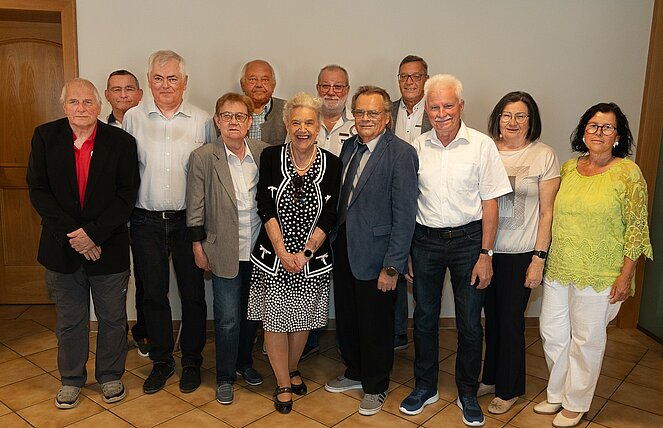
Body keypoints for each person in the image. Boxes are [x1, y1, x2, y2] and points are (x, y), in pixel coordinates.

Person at [399, 74, 511, 426]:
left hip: (469, 243)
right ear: (426, 110)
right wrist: (406, 251)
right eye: (434, 107)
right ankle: (425, 386)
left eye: (448, 105)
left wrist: (486, 255)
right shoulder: (416, 148)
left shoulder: (481, 146)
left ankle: (467, 391)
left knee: (469, 324)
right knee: (424, 320)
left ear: (461, 106)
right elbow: (407, 203)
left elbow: (490, 204)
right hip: (425, 242)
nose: (441, 113)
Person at [535, 103, 652, 428]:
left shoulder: (628, 173)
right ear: (583, 131)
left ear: (618, 135)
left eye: (607, 127)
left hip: (601, 272)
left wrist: (626, 274)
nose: (599, 132)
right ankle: (557, 393)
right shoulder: (569, 168)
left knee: (586, 340)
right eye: (593, 126)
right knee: (552, 332)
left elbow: (636, 228)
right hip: (560, 266)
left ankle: (576, 402)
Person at [27, 78, 140, 408]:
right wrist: (76, 235)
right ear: (64, 106)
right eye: (74, 102)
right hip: (61, 248)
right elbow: (38, 190)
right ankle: (71, 379)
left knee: (113, 319)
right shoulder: (45, 137)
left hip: (108, 247)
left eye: (88, 102)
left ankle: (110, 375)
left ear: (99, 105)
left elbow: (126, 195)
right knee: (70, 322)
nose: (81, 108)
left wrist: (93, 235)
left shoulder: (121, 142)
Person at [123, 50, 216, 395]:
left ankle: (192, 361)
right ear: (149, 81)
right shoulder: (133, 118)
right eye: (158, 78)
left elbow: (211, 175)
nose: (165, 85)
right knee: (153, 295)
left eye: (172, 78)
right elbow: (124, 171)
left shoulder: (202, 120)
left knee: (194, 295)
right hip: (145, 221)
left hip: (188, 222)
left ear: (184, 82)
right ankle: (161, 361)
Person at [325, 86, 418, 416]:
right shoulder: (349, 146)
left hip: (378, 255)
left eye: (373, 113)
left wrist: (392, 266)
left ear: (387, 117)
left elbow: (405, 215)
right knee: (348, 317)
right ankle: (354, 371)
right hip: (345, 248)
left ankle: (376, 385)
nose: (365, 118)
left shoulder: (401, 154)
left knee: (375, 325)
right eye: (360, 112)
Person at [248, 92, 341, 414]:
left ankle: (291, 367)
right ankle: (283, 381)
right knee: (275, 321)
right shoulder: (271, 157)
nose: (303, 129)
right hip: (274, 257)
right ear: (287, 125)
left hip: (311, 260)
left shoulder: (333, 163)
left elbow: (331, 214)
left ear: (319, 126)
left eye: (309, 123)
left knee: (302, 320)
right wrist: (282, 251)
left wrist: (305, 253)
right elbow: (265, 205)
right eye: (296, 122)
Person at [477, 91, 560, 414]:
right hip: (486, 251)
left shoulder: (543, 155)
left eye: (520, 116)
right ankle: (491, 377)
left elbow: (547, 213)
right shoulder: (485, 150)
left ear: (531, 120)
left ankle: (509, 388)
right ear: (498, 118)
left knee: (511, 321)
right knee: (492, 320)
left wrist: (539, 258)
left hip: (522, 253)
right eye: (506, 115)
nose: (512, 122)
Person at [186, 92, 267, 404]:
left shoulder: (263, 153)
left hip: (258, 250)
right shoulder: (204, 157)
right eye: (227, 116)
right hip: (222, 250)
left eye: (240, 116)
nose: (234, 122)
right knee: (228, 318)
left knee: (251, 315)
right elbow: (195, 207)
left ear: (249, 121)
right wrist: (197, 246)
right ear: (217, 121)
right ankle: (224, 376)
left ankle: (244, 363)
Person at [104, 69, 149, 357]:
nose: (123, 95)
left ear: (140, 94)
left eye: (129, 89)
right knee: (114, 279)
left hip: (144, 215)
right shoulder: (98, 131)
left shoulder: (151, 125)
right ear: (107, 95)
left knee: (146, 279)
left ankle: (144, 332)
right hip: (110, 219)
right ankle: (116, 336)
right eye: (116, 89)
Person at [390, 54, 431, 351]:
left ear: (426, 79)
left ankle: (424, 335)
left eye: (416, 76)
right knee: (394, 264)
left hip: (428, 200)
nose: (410, 81)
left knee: (422, 272)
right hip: (393, 200)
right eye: (404, 76)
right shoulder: (387, 111)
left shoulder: (437, 111)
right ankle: (396, 332)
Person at [240, 59, 287, 146]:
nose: (259, 85)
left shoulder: (287, 110)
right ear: (242, 84)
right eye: (253, 79)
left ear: (273, 85)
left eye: (265, 80)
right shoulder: (229, 112)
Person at [315, 64, 355, 156]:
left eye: (337, 87)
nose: (331, 92)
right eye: (325, 86)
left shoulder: (357, 125)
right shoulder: (303, 122)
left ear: (347, 90)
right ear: (317, 88)